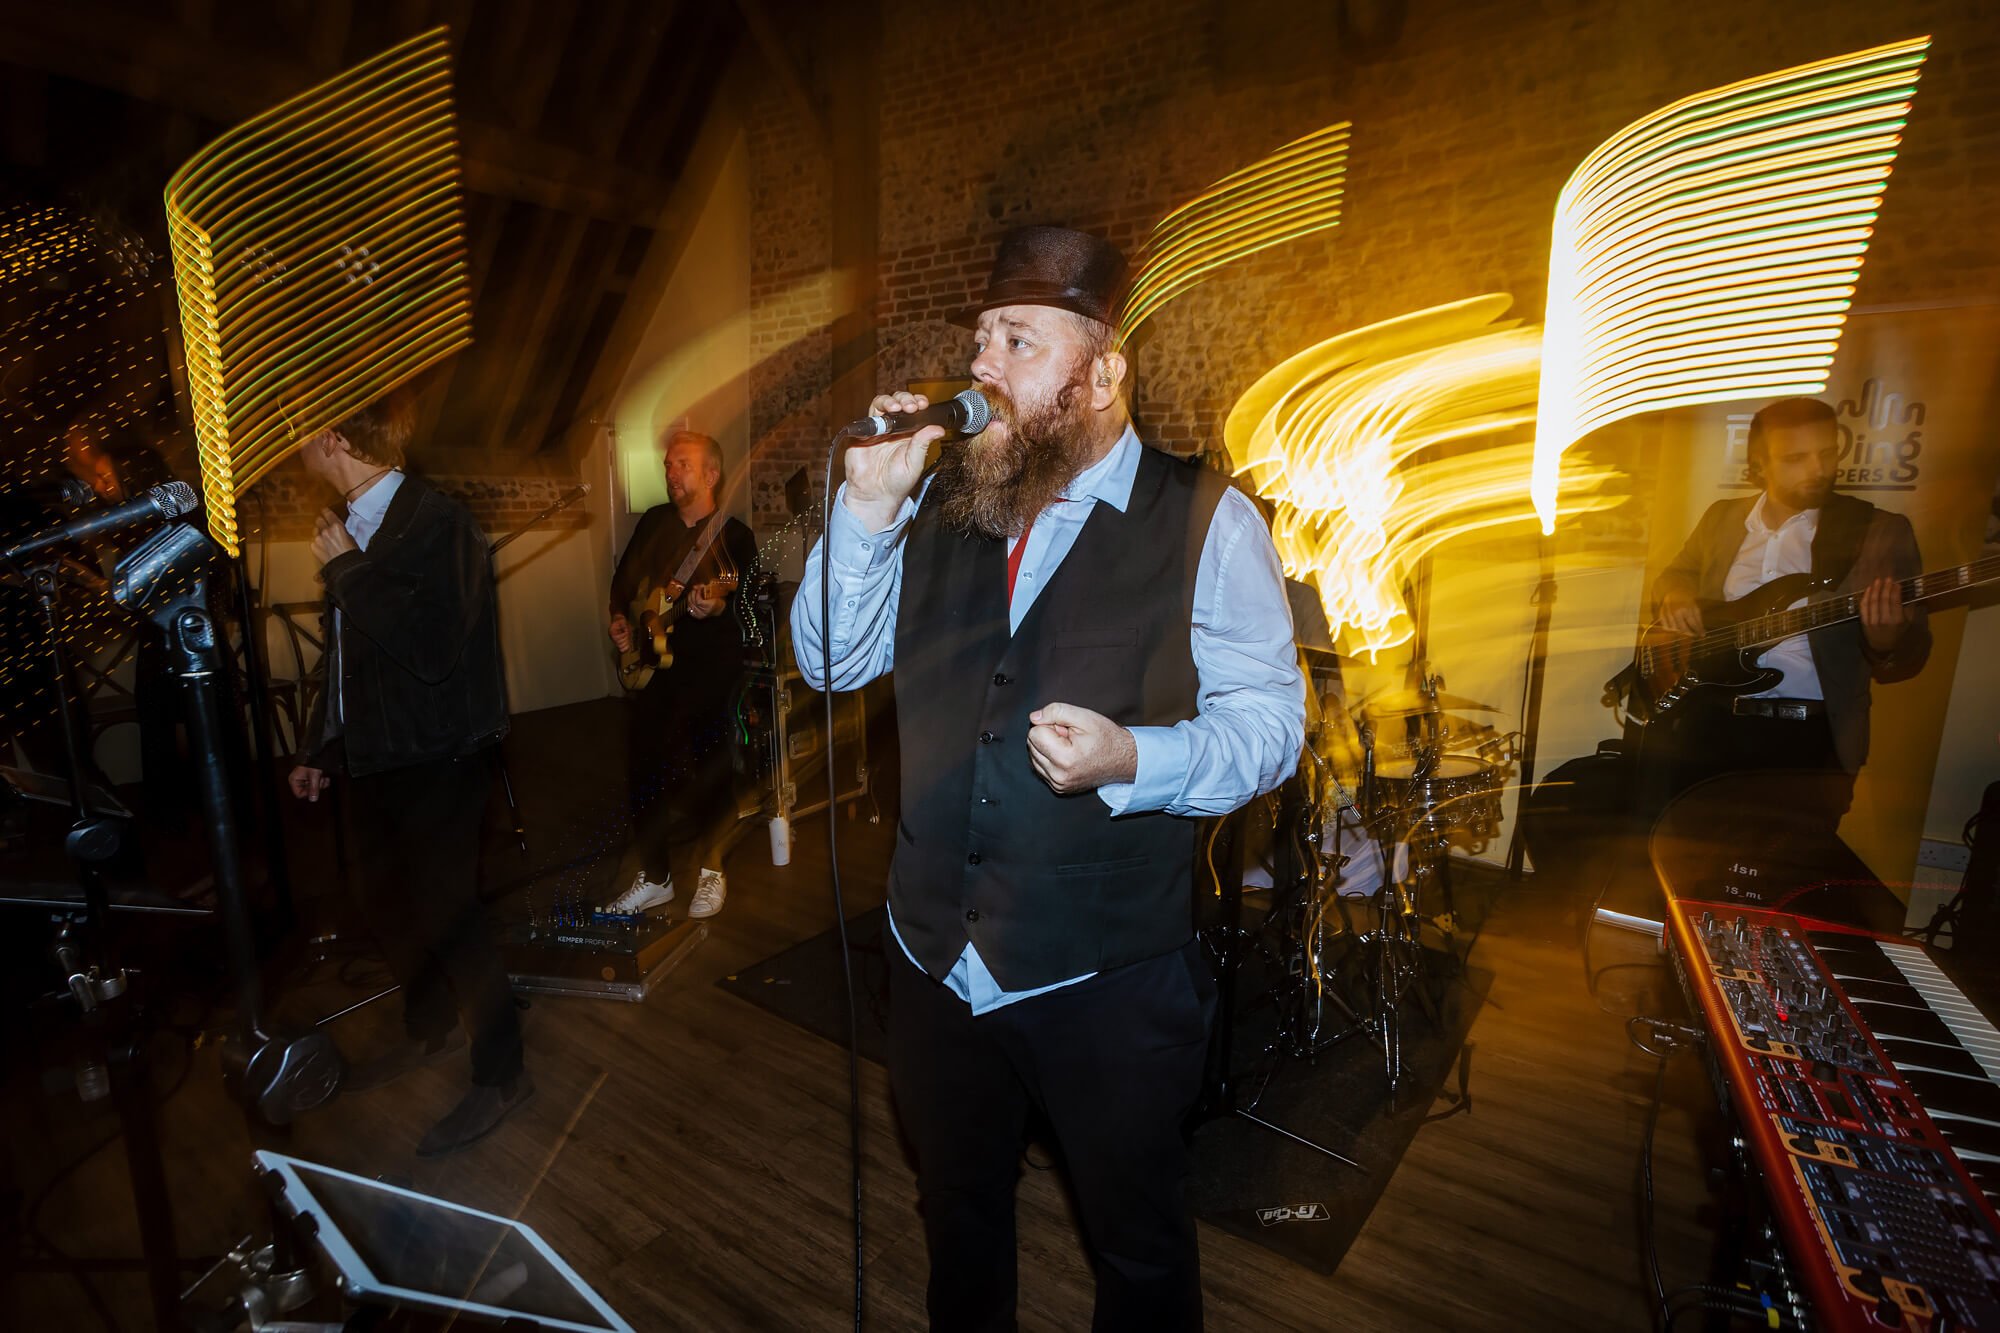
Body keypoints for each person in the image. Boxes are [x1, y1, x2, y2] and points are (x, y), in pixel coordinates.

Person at [792, 225, 1304, 1331]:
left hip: (1105, 981)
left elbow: (1269, 725)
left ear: (1102, 371)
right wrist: (866, 509)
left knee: (1137, 1250)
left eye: (1016, 340)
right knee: (958, 1221)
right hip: (932, 963)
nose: (981, 365)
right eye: (980, 337)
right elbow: (830, 661)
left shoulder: (1205, 519)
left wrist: (1138, 758)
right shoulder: (940, 507)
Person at [286, 392, 530, 1158]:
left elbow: (429, 653)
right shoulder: (347, 529)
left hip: (440, 758)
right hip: (377, 758)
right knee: (385, 903)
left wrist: (350, 572)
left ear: (333, 437)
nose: (292, 444)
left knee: (451, 916)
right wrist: (322, 750)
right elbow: (354, 659)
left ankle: (503, 1073)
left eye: (301, 429)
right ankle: (428, 1028)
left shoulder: (440, 524)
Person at [1648, 396, 1931, 820]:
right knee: (1690, 860)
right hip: (1709, 723)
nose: (1819, 469)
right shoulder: (1723, 518)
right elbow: (1676, 574)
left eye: (1827, 453)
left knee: (1789, 874)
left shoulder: (1880, 532)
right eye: (1797, 458)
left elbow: (1913, 649)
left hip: (1809, 741)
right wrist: (1675, 594)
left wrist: (1887, 641)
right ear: (1759, 466)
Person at [604, 427, 755, 919]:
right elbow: (625, 582)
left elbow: (749, 609)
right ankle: (656, 877)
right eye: (668, 464)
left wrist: (717, 608)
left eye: (682, 464)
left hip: (709, 670)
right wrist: (622, 621)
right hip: (654, 673)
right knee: (642, 768)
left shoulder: (734, 536)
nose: (671, 472)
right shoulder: (653, 523)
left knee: (710, 771)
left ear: (711, 475)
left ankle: (713, 872)